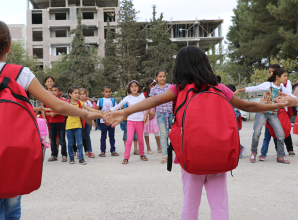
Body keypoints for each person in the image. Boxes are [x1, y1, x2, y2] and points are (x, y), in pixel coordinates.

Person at [104, 45, 288, 220]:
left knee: (190, 204)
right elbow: (247, 105)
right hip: (219, 152)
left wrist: (125, 112)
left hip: (191, 154)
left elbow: (153, 101)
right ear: (205, 64)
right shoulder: (219, 88)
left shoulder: (179, 89)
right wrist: (277, 105)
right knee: (220, 204)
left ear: (180, 68)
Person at [0, 19, 102, 219]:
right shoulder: (21, 74)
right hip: (16, 158)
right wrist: (87, 114)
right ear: (8, 46)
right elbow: (58, 105)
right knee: (12, 212)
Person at [234, 68, 295, 164]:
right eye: (284, 76)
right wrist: (239, 90)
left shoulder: (283, 88)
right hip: (262, 111)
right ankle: (253, 152)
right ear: (277, 77)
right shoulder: (268, 85)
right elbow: (254, 88)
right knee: (256, 133)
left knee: (280, 135)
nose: (286, 78)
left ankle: (280, 156)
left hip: (273, 114)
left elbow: (293, 97)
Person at [260, 64, 295, 160]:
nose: (270, 73)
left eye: (272, 71)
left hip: (282, 110)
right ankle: (265, 154)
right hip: (271, 111)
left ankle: (288, 150)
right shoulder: (269, 83)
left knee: (284, 131)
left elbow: (289, 94)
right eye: (269, 71)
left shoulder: (286, 82)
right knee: (269, 133)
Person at [110, 80, 147, 164]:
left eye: (136, 86)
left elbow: (146, 106)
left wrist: (146, 116)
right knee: (129, 139)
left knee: (140, 140)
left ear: (138, 88)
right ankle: (126, 158)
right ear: (129, 88)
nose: (134, 88)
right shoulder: (128, 97)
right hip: (130, 121)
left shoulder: (142, 96)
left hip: (140, 121)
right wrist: (108, 111)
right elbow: (118, 106)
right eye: (132, 86)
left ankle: (142, 154)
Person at [66, 86, 101, 165]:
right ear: (70, 94)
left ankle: (81, 158)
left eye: (78, 93)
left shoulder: (80, 103)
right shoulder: (67, 103)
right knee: (70, 143)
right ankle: (71, 158)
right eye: (75, 93)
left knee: (80, 143)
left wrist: (99, 112)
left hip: (78, 126)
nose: (77, 95)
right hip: (69, 127)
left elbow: (90, 109)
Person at [149, 69, 173, 164]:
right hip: (160, 115)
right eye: (160, 76)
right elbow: (151, 102)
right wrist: (149, 112)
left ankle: (179, 153)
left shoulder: (171, 87)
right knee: (163, 134)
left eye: (164, 76)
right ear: (156, 78)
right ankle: (165, 155)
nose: (162, 78)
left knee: (174, 134)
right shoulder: (153, 89)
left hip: (172, 114)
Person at [96, 86, 119, 157]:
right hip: (103, 122)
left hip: (111, 122)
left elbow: (116, 109)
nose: (108, 93)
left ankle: (113, 150)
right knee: (103, 137)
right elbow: (97, 110)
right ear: (103, 92)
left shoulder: (112, 100)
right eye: (106, 91)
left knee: (112, 137)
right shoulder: (100, 100)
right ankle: (103, 151)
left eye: (109, 91)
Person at [47, 85, 68, 162]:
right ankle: (54, 155)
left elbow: (64, 111)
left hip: (60, 123)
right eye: (52, 90)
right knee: (53, 140)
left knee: (62, 140)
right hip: (52, 123)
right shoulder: (49, 101)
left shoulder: (62, 100)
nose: (53, 92)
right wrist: (50, 114)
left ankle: (64, 155)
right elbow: (46, 113)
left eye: (55, 90)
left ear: (59, 92)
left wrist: (56, 113)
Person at [226, 84, 246, 158]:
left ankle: (240, 148)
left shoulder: (233, 102)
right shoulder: (227, 101)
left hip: (233, 124)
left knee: (233, 139)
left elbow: (236, 113)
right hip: (229, 124)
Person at [143, 79, 161, 154]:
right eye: (153, 85)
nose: (154, 86)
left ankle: (159, 147)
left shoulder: (156, 92)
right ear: (150, 85)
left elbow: (157, 102)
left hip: (154, 112)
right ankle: (148, 148)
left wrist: (153, 112)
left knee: (156, 130)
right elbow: (143, 104)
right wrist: (148, 113)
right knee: (146, 131)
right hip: (146, 112)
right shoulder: (143, 94)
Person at [79, 88, 95, 158]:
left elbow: (91, 110)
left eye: (83, 94)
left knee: (87, 136)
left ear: (86, 95)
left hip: (87, 121)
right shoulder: (77, 102)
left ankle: (90, 151)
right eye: (80, 94)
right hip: (79, 121)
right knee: (79, 137)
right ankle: (79, 152)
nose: (82, 96)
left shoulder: (88, 102)